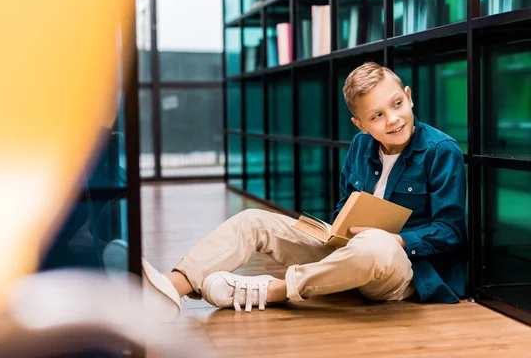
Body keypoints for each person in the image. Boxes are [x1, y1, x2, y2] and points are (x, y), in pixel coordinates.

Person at [142, 62, 467, 321]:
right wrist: (337, 231)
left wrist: (393, 238)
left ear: (409, 97)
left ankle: (273, 291)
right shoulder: (359, 146)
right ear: (360, 124)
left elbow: (449, 232)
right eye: (377, 116)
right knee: (253, 220)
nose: (393, 119)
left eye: (397, 104)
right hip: (348, 251)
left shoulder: (441, 150)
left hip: (399, 267)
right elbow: (345, 202)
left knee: (375, 243)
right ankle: (170, 289)